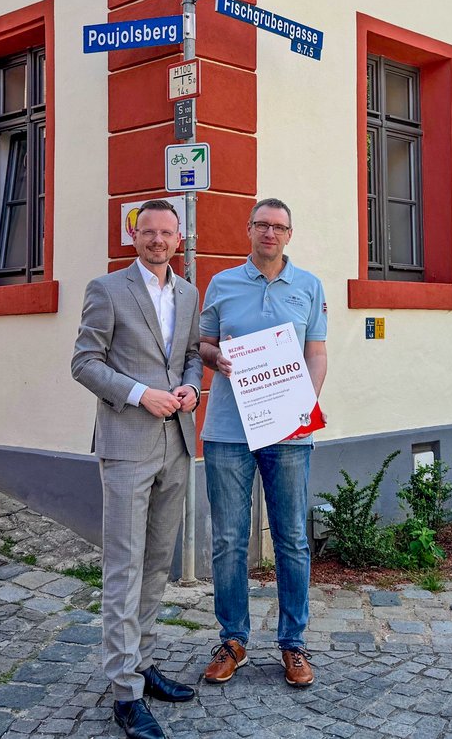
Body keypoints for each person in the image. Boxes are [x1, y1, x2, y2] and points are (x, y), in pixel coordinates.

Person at [71, 200, 203, 739]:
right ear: (134, 236)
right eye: (147, 231)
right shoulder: (107, 290)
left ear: (178, 238)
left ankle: (143, 664)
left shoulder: (189, 292)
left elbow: (192, 353)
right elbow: (84, 363)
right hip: (127, 444)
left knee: (156, 563)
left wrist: (192, 388)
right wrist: (138, 394)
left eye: (166, 232)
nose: (157, 240)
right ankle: (124, 690)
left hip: (175, 444)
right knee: (124, 567)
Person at [198, 197, 328, 688]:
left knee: (292, 539)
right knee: (229, 540)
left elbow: (316, 355)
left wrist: (306, 405)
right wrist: (219, 359)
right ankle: (233, 640)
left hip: (289, 430)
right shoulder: (222, 284)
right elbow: (204, 344)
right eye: (262, 225)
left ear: (289, 235)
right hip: (229, 428)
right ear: (248, 230)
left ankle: (293, 643)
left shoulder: (309, 287)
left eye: (279, 226)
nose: (270, 233)